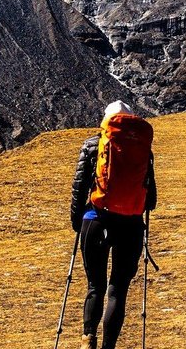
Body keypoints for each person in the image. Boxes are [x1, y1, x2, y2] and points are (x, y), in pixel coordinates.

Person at [70, 100, 157, 349]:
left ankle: (88, 339)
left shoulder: (92, 145)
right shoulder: (143, 148)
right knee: (118, 289)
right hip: (130, 225)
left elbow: (79, 189)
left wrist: (78, 222)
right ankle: (109, 346)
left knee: (95, 284)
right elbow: (151, 200)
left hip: (96, 220)